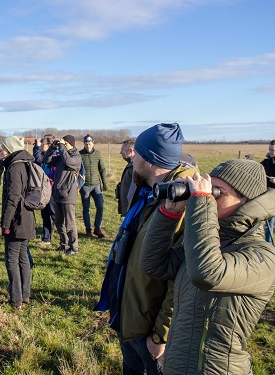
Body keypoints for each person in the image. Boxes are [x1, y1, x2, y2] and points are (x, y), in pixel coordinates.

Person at [140, 159, 275, 374]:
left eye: (217, 192)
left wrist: (201, 202)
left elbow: (207, 273)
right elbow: (154, 264)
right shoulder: (208, 242)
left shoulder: (262, 255)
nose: (210, 198)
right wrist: (171, 213)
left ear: (246, 201)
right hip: (176, 365)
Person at [95, 122, 198, 375]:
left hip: (151, 334)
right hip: (133, 319)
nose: (132, 160)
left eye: (137, 155)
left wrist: (161, 335)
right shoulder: (151, 193)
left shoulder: (181, 204)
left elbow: (182, 278)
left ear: (151, 160)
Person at [0, 136, 36, 309]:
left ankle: (16, 299)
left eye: (3, 148)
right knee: (23, 258)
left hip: (17, 219)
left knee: (12, 259)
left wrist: (5, 223)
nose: (0, 151)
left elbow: (13, 198)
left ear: (10, 150)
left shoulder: (14, 168)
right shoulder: (25, 164)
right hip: (27, 217)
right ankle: (25, 295)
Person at [44, 135, 82, 256]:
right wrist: (52, 147)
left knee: (70, 223)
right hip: (58, 192)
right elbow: (46, 160)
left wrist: (61, 147)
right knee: (59, 222)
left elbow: (68, 161)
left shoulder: (76, 156)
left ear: (69, 143)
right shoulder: (62, 155)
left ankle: (74, 247)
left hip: (68, 194)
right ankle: (64, 244)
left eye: (65, 143)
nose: (63, 145)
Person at [79, 134, 108, 238]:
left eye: (90, 144)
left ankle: (97, 228)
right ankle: (88, 229)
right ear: (84, 144)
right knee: (86, 208)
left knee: (100, 207)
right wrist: (78, 186)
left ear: (93, 143)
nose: (88, 146)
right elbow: (77, 171)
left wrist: (104, 184)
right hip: (85, 186)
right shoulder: (80, 154)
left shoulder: (98, 154)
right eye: (86, 144)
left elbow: (102, 169)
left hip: (96, 186)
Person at [33, 135, 56, 247]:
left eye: (43, 144)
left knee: (54, 214)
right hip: (43, 189)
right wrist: (36, 148)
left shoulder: (55, 156)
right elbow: (36, 160)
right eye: (41, 145)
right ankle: (46, 237)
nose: (41, 146)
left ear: (49, 145)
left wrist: (37, 148)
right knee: (45, 213)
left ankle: (64, 238)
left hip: (52, 189)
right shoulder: (42, 155)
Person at [116, 140, 135, 216]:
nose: (120, 152)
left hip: (131, 212)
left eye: (122, 149)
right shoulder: (131, 165)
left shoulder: (135, 168)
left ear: (130, 151)